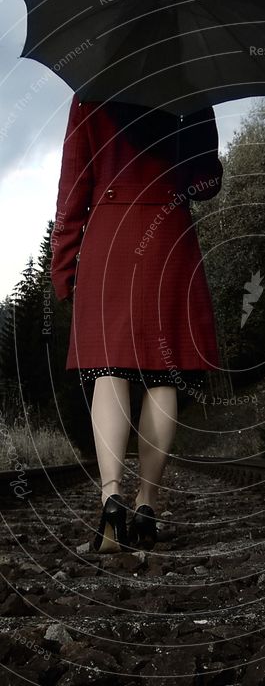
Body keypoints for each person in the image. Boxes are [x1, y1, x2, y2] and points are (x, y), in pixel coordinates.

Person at [50, 94, 223, 553]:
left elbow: (73, 188)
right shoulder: (192, 86)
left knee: (108, 369)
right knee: (163, 375)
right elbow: (207, 182)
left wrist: (63, 266)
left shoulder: (90, 89)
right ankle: (147, 503)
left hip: (110, 237)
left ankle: (111, 499)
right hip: (168, 235)